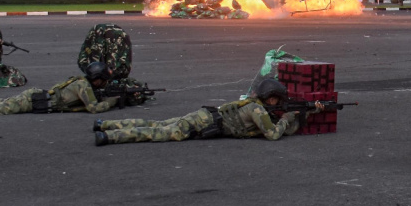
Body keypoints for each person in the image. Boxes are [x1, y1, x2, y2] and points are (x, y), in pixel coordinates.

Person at [93, 78, 318, 146]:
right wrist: (287, 119)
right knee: (156, 133)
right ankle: (108, 136)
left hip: (204, 116)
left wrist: (306, 114)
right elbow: (272, 134)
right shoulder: (258, 110)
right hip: (202, 123)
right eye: (277, 99)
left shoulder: (251, 103)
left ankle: (105, 124)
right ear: (270, 97)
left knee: (157, 124)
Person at [0, 61, 118, 117]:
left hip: (36, 97)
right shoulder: (83, 86)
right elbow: (93, 108)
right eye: (103, 80)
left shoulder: (80, 81)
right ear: (97, 79)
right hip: (33, 102)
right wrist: (112, 101)